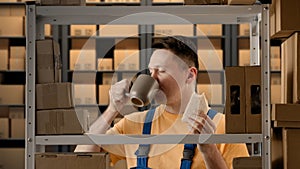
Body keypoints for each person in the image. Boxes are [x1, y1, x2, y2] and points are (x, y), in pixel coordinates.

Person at [75, 36, 249, 169]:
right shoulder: (134, 124)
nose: (153, 79)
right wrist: (112, 109)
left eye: (162, 71)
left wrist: (209, 149)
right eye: (151, 71)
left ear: (190, 75)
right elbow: (81, 160)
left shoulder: (223, 126)